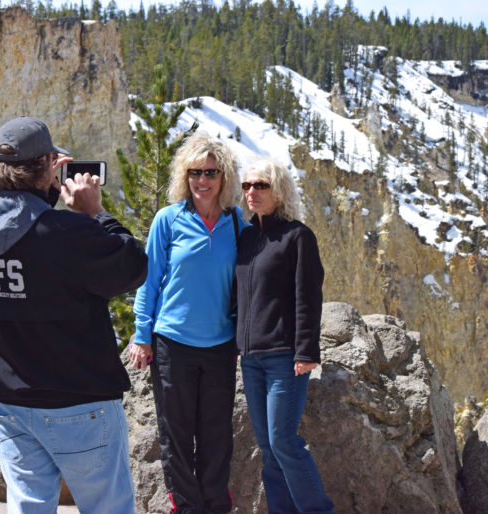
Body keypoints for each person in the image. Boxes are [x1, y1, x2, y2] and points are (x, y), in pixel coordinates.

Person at [0, 116, 147, 513]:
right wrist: (94, 214)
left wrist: (47, 199)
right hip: (78, 400)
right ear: (47, 165)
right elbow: (132, 267)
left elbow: (21, 233)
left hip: (10, 402)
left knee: (28, 506)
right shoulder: (69, 233)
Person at [128, 131, 247, 514]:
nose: (202, 181)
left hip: (219, 345)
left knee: (216, 436)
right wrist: (141, 335)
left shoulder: (237, 223)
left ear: (224, 177)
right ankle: (186, 507)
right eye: (195, 172)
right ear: (185, 175)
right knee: (176, 437)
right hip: (171, 345)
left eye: (211, 173)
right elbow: (149, 280)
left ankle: (215, 506)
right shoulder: (168, 219)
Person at [235, 158, 334, 514]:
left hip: (284, 358)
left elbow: (309, 297)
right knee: (267, 446)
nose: (251, 193)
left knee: (284, 442)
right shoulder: (246, 237)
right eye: (247, 186)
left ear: (278, 191)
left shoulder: (298, 236)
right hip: (250, 359)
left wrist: (306, 351)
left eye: (260, 186)